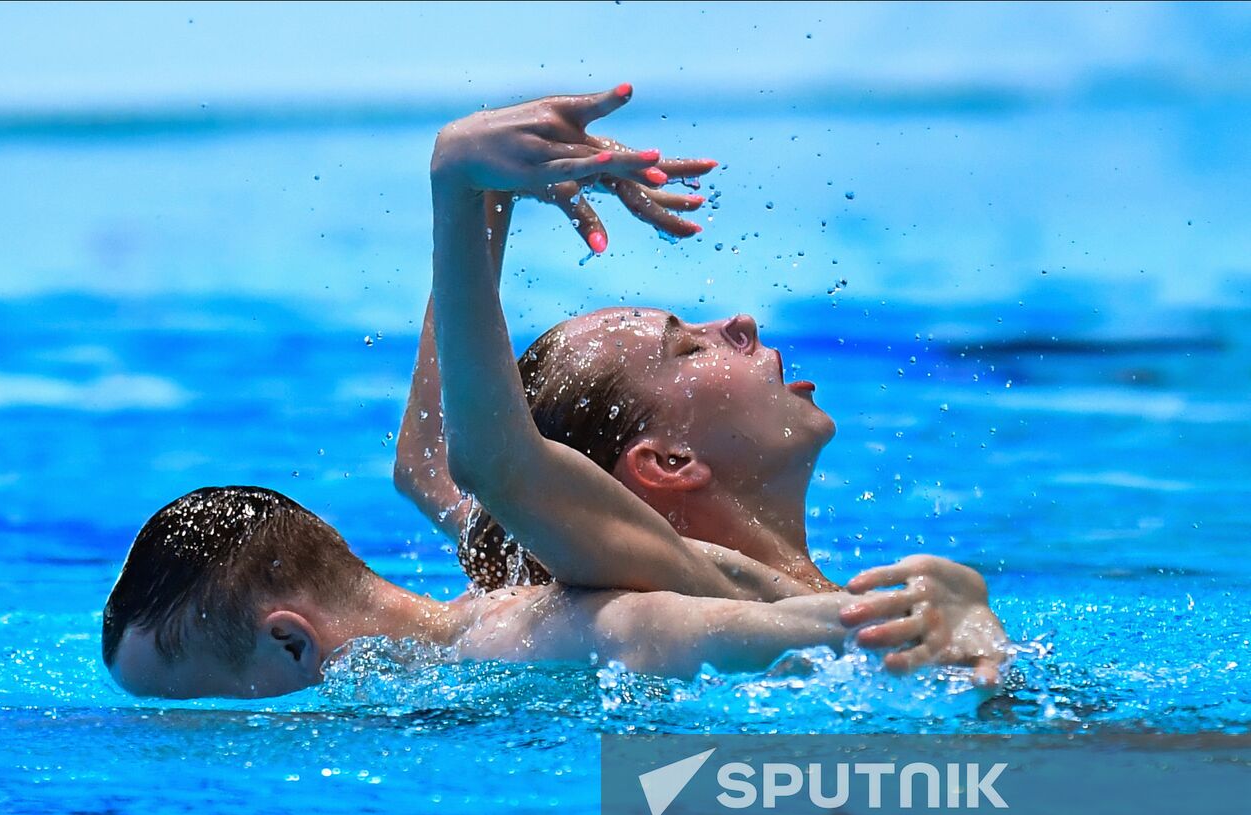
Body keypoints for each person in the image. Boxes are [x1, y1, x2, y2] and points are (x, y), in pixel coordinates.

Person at [397, 84, 1009, 682]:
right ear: (668, 461)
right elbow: (495, 464)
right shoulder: (711, 583)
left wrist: (493, 194)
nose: (740, 322)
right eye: (689, 346)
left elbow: (431, 466)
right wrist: (455, 185)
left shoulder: (553, 558)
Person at [104, 486, 924, 699]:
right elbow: (425, 462)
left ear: (292, 643)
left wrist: (904, 617)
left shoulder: (503, 639)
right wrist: (475, 205)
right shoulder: (493, 575)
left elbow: (653, 627)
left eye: (208, 707)